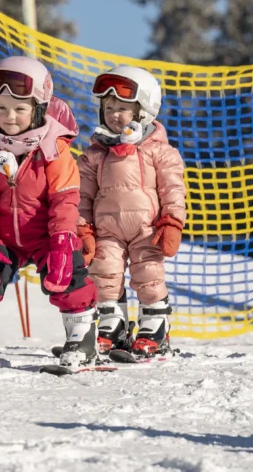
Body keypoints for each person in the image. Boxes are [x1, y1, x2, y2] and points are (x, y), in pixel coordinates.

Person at [0, 56, 100, 368]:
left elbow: (65, 200)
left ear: (38, 108)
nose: (10, 117)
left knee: (68, 273)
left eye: (20, 109)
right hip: (5, 235)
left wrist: (62, 243)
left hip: (46, 235)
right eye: (1, 108)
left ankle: (81, 335)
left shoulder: (54, 149)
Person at [77, 65, 186, 357]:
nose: (114, 114)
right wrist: (83, 228)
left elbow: (173, 189)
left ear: (145, 111)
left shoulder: (159, 151)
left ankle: (154, 326)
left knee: (149, 274)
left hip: (146, 229)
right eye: (108, 107)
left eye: (123, 108)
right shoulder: (95, 153)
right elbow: (83, 195)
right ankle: (112, 326)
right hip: (107, 231)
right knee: (104, 274)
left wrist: (172, 222)